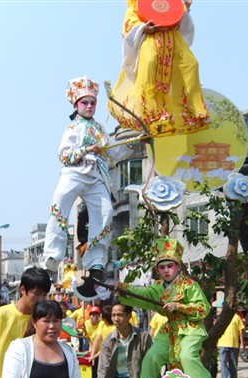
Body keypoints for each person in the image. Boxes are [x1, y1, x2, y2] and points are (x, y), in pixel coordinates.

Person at [41, 76, 131, 281]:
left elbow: (116, 152)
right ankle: (53, 254)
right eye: (85, 102)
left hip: (96, 175)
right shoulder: (72, 128)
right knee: (59, 203)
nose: (89, 106)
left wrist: (134, 141)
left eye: (92, 103)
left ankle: (96, 259)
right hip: (74, 173)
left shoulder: (100, 130)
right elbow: (64, 156)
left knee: (105, 211)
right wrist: (87, 149)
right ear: (76, 105)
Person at [116, 238, 212, 378]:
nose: (166, 270)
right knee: (151, 357)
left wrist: (180, 306)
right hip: (169, 330)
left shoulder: (189, 285)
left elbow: (203, 308)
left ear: (178, 266)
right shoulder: (157, 288)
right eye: (162, 267)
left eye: (170, 266)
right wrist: (125, 289)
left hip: (190, 329)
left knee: (187, 356)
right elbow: (143, 294)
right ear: (158, 270)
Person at [109, 0, 209, 137]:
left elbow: (179, 20)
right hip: (150, 39)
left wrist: (185, 7)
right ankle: (150, 114)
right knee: (150, 62)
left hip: (172, 39)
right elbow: (129, 25)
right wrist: (143, 28)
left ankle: (193, 111)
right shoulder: (136, 3)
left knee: (191, 64)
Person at [90, 303, 153, 378]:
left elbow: (151, 365)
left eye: (120, 315)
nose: (116, 319)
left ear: (129, 316)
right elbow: (103, 369)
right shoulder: (108, 342)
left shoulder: (143, 337)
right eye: (113, 315)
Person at [216, 311, 246, 378]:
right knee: (223, 362)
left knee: (233, 362)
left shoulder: (237, 317)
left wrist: (242, 342)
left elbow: (240, 331)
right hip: (222, 343)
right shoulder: (222, 317)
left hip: (234, 343)